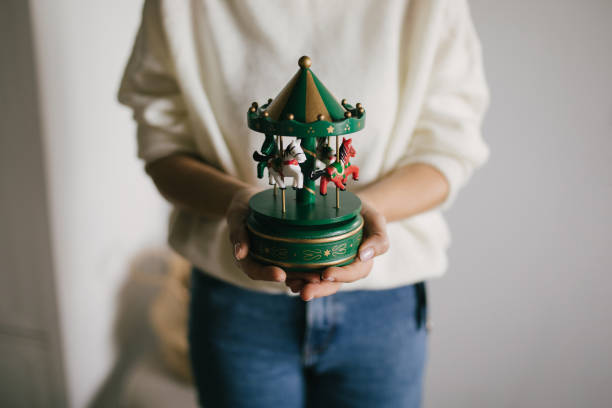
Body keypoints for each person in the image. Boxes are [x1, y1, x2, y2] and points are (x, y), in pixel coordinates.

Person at [118, 0, 489, 407]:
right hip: (236, 301)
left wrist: (367, 210)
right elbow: (163, 146)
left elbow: (448, 148)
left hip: (384, 304)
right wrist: (235, 200)